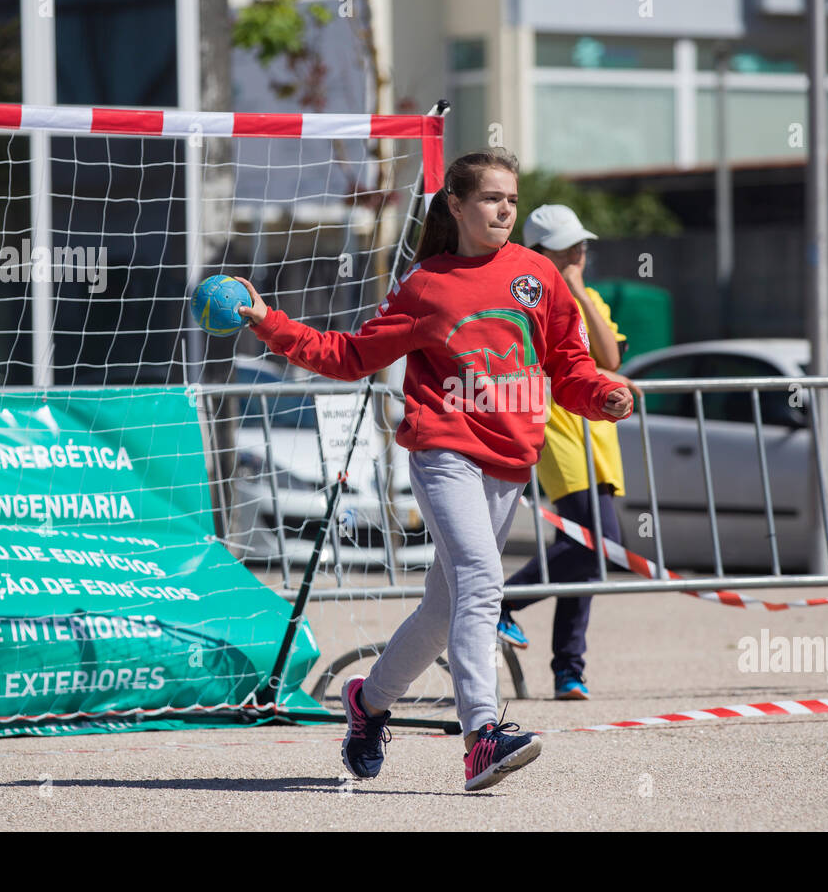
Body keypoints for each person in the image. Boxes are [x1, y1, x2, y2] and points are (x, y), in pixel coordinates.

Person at [236, 149, 633, 792]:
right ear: (456, 205)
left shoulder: (538, 275)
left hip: (509, 459)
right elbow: (351, 355)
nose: (504, 209)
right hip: (442, 450)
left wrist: (602, 397)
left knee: (440, 610)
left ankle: (367, 703)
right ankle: (482, 737)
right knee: (482, 583)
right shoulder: (427, 285)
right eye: (490, 198)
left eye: (511, 198)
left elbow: (569, 366)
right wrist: (270, 324)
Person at [497, 204, 629, 700]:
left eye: (582, 244)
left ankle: (568, 670)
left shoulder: (589, 295)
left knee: (592, 555)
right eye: (569, 246)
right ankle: (505, 604)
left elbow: (609, 357)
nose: (580, 252)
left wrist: (576, 291)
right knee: (595, 543)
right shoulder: (522, 297)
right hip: (556, 431)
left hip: (598, 436)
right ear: (539, 254)